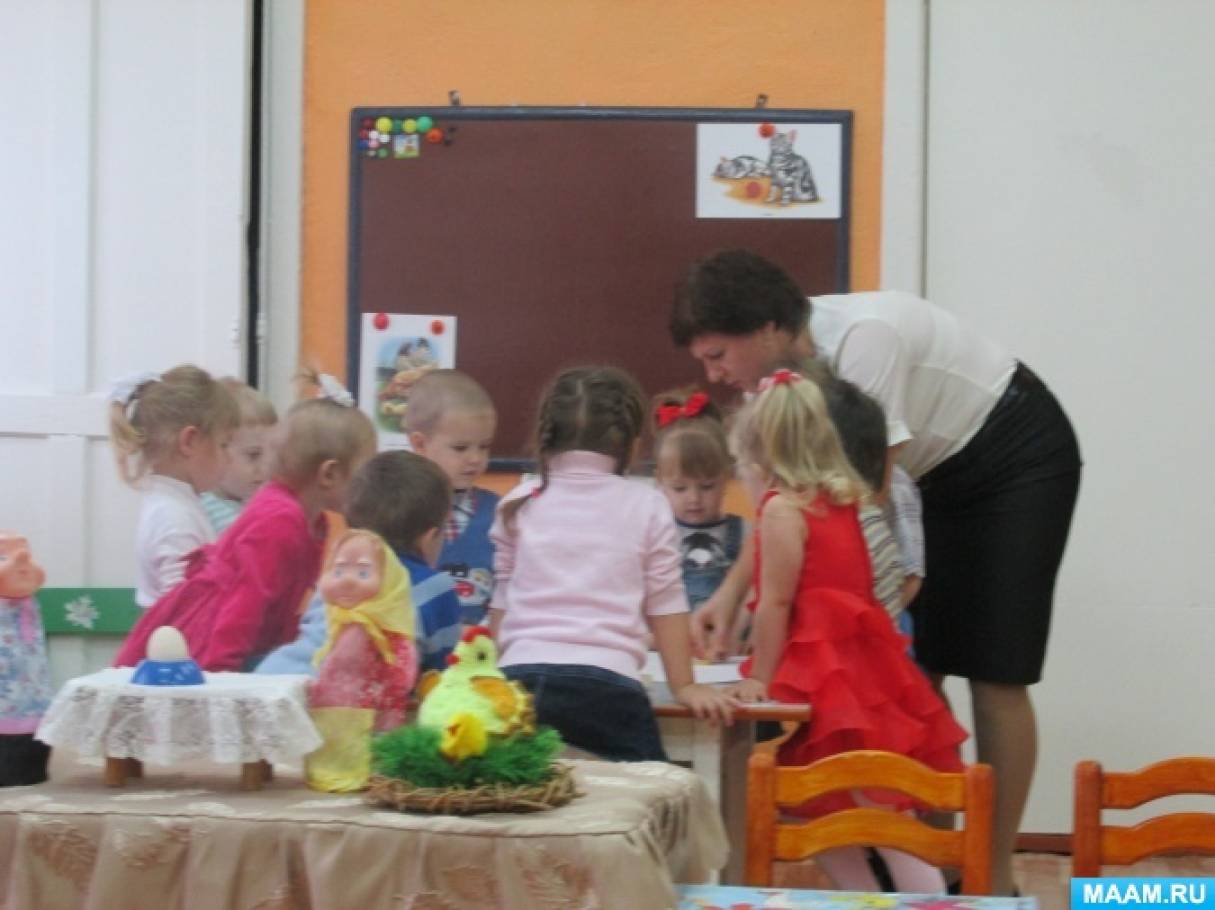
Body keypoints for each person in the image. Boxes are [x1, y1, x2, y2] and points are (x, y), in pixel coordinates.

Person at [672, 248, 1082, 895]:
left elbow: (854, 499)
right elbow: (790, 503)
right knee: (919, 673)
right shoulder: (777, 382)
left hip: (1012, 454)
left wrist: (810, 613)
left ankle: (991, 877)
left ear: (768, 330)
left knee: (995, 670)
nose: (714, 374)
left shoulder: (864, 343)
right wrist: (731, 592)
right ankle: (938, 864)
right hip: (930, 474)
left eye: (718, 355)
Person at [728, 367, 967, 892]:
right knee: (829, 809)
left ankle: (928, 900)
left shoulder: (782, 510)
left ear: (761, 459)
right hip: (862, 674)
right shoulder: (840, 501)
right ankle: (870, 898)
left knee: (866, 813)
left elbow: (776, 603)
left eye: (741, 465)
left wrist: (761, 680)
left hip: (829, 684)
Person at [488, 366, 737, 761]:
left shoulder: (517, 502)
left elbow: (502, 602)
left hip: (518, 681)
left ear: (544, 438)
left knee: (522, 789)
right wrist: (685, 686)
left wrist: (491, 675)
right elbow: (666, 603)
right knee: (653, 792)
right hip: (605, 686)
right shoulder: (647, 504)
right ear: (634, 449)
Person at [114, 372, 377, 672]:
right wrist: (223, 677)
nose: (369, 487)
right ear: (329, 474)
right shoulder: (280, 520)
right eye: (363, 473)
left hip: (239, 647)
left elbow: (282, 605)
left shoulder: (314, 522)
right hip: (206, 648)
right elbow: (243, 604)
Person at [257, 451, 463, 677]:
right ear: (429, 537)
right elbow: (443, 678)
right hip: (336, 694)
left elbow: (311, 629)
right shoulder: (436, 587)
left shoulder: (337, 574)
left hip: (274, 675)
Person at [108, 365, 239, 608]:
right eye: (224, 445)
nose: (230, 458)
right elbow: (184, 611)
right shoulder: (174, 517)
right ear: (189, 442)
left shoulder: (176, 503)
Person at [306, 529, 416, 792]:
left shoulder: (372, 626)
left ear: (389, 581)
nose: (347, 581)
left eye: (363, 573)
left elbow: (402, 657)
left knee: (365, 746)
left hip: (368, 708)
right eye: (338, 571)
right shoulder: (341, 620)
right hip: (341, 707)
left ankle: (360, 770)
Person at [403, 369, 500, 626]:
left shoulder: (498, 513)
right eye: (460, 448)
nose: (475, 458)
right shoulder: (399, 511)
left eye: (484, 446)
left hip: (479, 645)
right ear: (420, 444)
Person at [651, 388, 746, 613]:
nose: (694, 498)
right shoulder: (657, 534)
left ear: (726, 477)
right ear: (659, 482)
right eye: (680, 488)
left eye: (707, 486)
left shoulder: (745, 533)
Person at [200, 378, 279, 535]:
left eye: (272, 454)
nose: (265, 468)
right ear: (218, 450)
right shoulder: (204, 512)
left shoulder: (257, 502)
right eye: (253, 455)